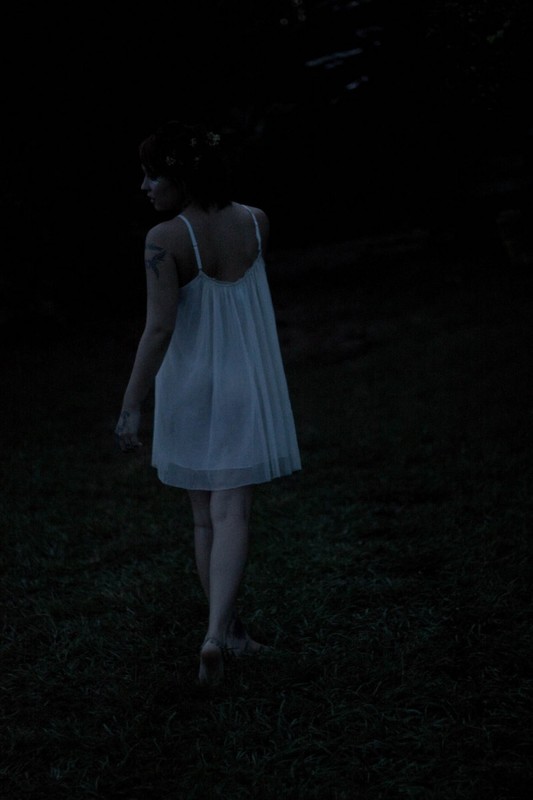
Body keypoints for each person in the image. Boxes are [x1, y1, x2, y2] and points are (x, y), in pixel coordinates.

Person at [114, 120, 301, 686]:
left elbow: (159, 329)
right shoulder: (256, 221)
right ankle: (223, 635)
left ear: (182, 177)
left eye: (152, 176)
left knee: (203, 520)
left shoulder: (165, 238)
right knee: (232, 514)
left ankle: (224, 632)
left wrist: (131, 405)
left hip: (189, 388)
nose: (145, 187)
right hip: (245, 383)